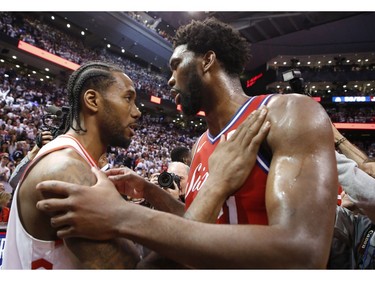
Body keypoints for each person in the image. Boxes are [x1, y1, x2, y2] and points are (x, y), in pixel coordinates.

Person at [35, 17, 338, 268]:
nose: (169, 80)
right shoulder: (199, 146)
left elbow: (304, 253)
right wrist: (153, 192)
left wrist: (125, 216)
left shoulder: (288, 113)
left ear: (207, 61)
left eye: (176, 64)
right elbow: (197, 227)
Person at [2, 61, 143, 269]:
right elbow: (129, 269)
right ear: (92, 100)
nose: (137, 112)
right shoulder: (66, 168)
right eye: (128, 98)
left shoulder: (75, 160)